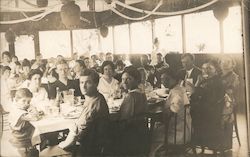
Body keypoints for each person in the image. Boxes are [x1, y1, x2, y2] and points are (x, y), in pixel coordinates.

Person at [58, 69, 110, 156]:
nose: (83, 86)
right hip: (93, 146)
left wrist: (62, 145)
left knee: (45, 153)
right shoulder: (98, 97)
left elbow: (77, 136)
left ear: (96, 84)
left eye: (88, 82)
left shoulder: (93, 105)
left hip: (87, 150)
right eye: (81, 83)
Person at [190, 60, 225, 155]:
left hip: (210, 114)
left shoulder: (216, 82)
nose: (205, 70)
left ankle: (189, 142)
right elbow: (196, 96)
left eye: (209, 68)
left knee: (188, 114)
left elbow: (199, 97)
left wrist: (197, 85)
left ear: (216, 70)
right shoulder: (208, 80)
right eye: (204, 68)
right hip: (208, 111)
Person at [113, 66, 149, 155]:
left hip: (130, 135)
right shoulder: (141, 93)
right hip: (141, 132)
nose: (124, 82)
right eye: (122, 79)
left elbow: (124, 119)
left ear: (137, 80)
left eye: (128, 79)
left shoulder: (130, 96)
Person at [161, 70, 191, 150]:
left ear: (175, 79)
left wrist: (164, 111)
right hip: (185, 130)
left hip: (177, 135)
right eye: (162, 79)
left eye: (167, 79)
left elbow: (171, 112)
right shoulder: (180, 89)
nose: (164, 82)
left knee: (152, 134)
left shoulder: (176, 92)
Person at [8, 88, 41, 157]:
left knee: (40, 134)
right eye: (24, 101)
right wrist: (33, 108)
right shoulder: (19, 112)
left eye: (29, 102)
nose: (26, 104)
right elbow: (35, 118)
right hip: (21, 137)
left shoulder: (17, 108)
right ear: (16, 100)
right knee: (42, 135)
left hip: (22, 134)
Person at [220, 56, 240, 150]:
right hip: (219, 100)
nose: (225, 64)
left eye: (228, 62)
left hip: (229, 102)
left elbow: (230, 91)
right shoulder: (218, 74)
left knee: (223, 113)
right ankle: (212, 142)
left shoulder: (234, 76)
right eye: (223, 62)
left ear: (232, 64)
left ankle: (225, 144)